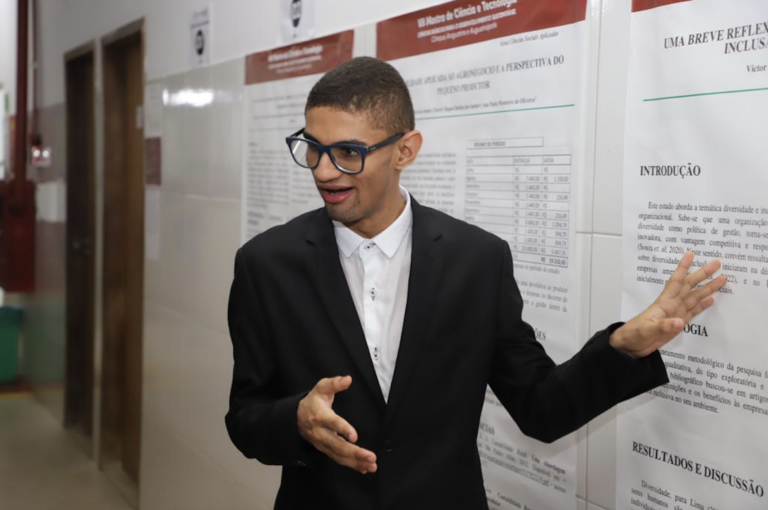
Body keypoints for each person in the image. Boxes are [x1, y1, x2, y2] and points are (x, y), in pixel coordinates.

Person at [225, 57, 725, 509]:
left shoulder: (478, 260)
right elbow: (245, 418)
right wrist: (295, 420)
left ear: (405, 150)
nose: (325, 172)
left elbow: (540, 407)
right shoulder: (266, 264)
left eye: (348, 152)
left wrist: (623, 347)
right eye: (313, 149)